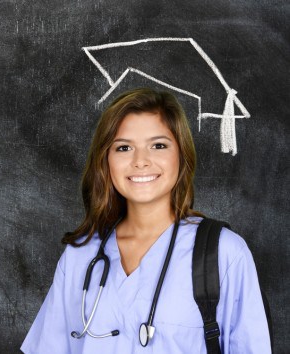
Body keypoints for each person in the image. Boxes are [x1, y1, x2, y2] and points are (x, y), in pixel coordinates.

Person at [21, 88, 271, 353]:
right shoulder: (80, 255)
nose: (141, 161)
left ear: (181, 155)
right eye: (124, 147)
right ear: (106, 160)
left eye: (158, 145)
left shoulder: (225, 254)